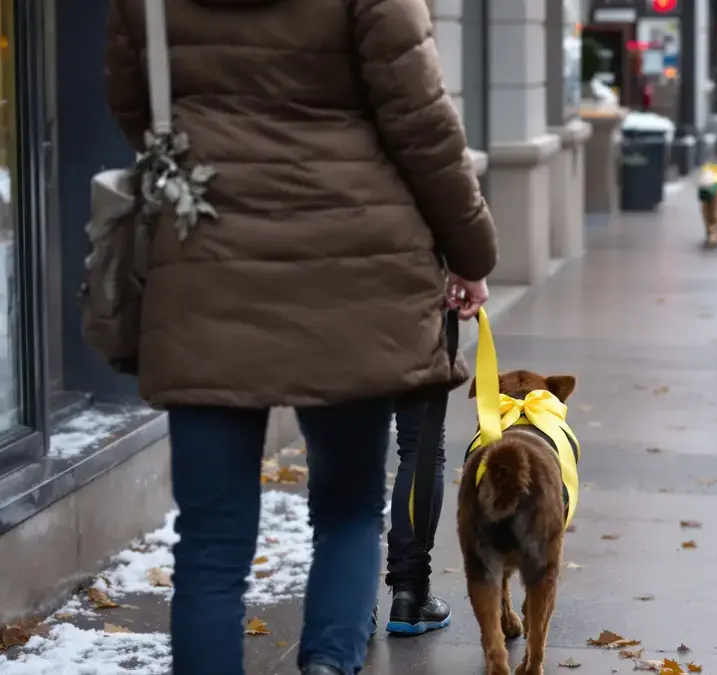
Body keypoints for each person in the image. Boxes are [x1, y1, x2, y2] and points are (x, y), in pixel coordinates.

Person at [104, 0, 497, 673]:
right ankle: (326, 663)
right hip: (354, 271)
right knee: (347, 507)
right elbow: (423, 126)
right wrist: (472, 252)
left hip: (206, 264)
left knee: (209, 542)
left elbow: (132, 101)